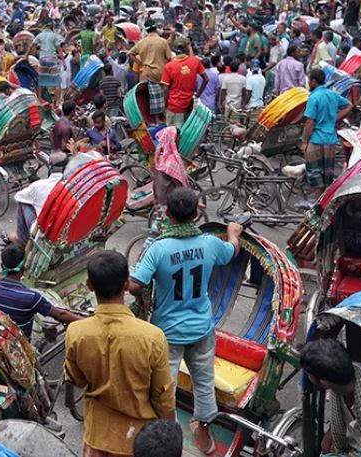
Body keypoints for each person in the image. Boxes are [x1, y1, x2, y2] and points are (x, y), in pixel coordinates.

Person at [128, 187, 243, 455]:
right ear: (197, 212)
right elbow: (231, 252)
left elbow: (134, 285)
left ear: (167, 214)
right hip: (201, 327)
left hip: (167, 332)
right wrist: (234, 234)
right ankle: (203, 429)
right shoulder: (210, 244)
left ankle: (164, 437)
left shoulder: (159, 248)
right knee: (204, 382)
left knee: (163, 386)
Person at [65, 250, 175, 457]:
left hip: (98, 437)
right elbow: (163, 396)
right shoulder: (152, 336)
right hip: (140, 441)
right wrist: (170, 434)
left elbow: (76, 380)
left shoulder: (76, 332)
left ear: (89, 285)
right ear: (126, 285)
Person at [0, 244, 84, 340]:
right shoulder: (31, 297)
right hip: (20, 347)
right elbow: (60, 314)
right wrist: (88, 322)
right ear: (24, 267)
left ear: (2, 265)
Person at [300, 69, 353, 196]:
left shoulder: (314, 97)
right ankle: (323, 203)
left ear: (313, 81)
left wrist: (304, 142)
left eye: (309, 80)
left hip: (316, 140)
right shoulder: (333, 94)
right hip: (330, 140)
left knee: (315, 176)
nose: (308, 82)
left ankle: (317, 206)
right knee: (327, 176)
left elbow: (309, 122)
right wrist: (335, 118)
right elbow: (349, 105)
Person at [129, 20, 172, 124]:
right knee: (163, 97)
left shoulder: (142, 42)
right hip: (162, 74)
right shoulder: (162, 41)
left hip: (149, 73)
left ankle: (157, 120)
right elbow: (170, 59)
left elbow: (130, 53)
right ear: (156, 28)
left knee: (154, 98)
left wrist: (141, 62)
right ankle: (163, 119)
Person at [161, 36, 207, 127]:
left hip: (174, 107)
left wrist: (165, 105)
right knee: (188, 134)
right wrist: (197, 95)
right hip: (190, 106)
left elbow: (165, 89)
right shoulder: (195, 61)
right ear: (187, 48)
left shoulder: (169, 66)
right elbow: (206, 79)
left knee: (174, 136)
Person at [33, 21, 65, 102]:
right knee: (57, 82)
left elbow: (32, 45)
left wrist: (26, 55)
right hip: (51, 59)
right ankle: (56, 102)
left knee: (41, 80)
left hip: (43, 59)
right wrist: (63, 62)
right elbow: (59, 49)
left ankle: (39, 98)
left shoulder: (40, 35)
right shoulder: (54, 36)